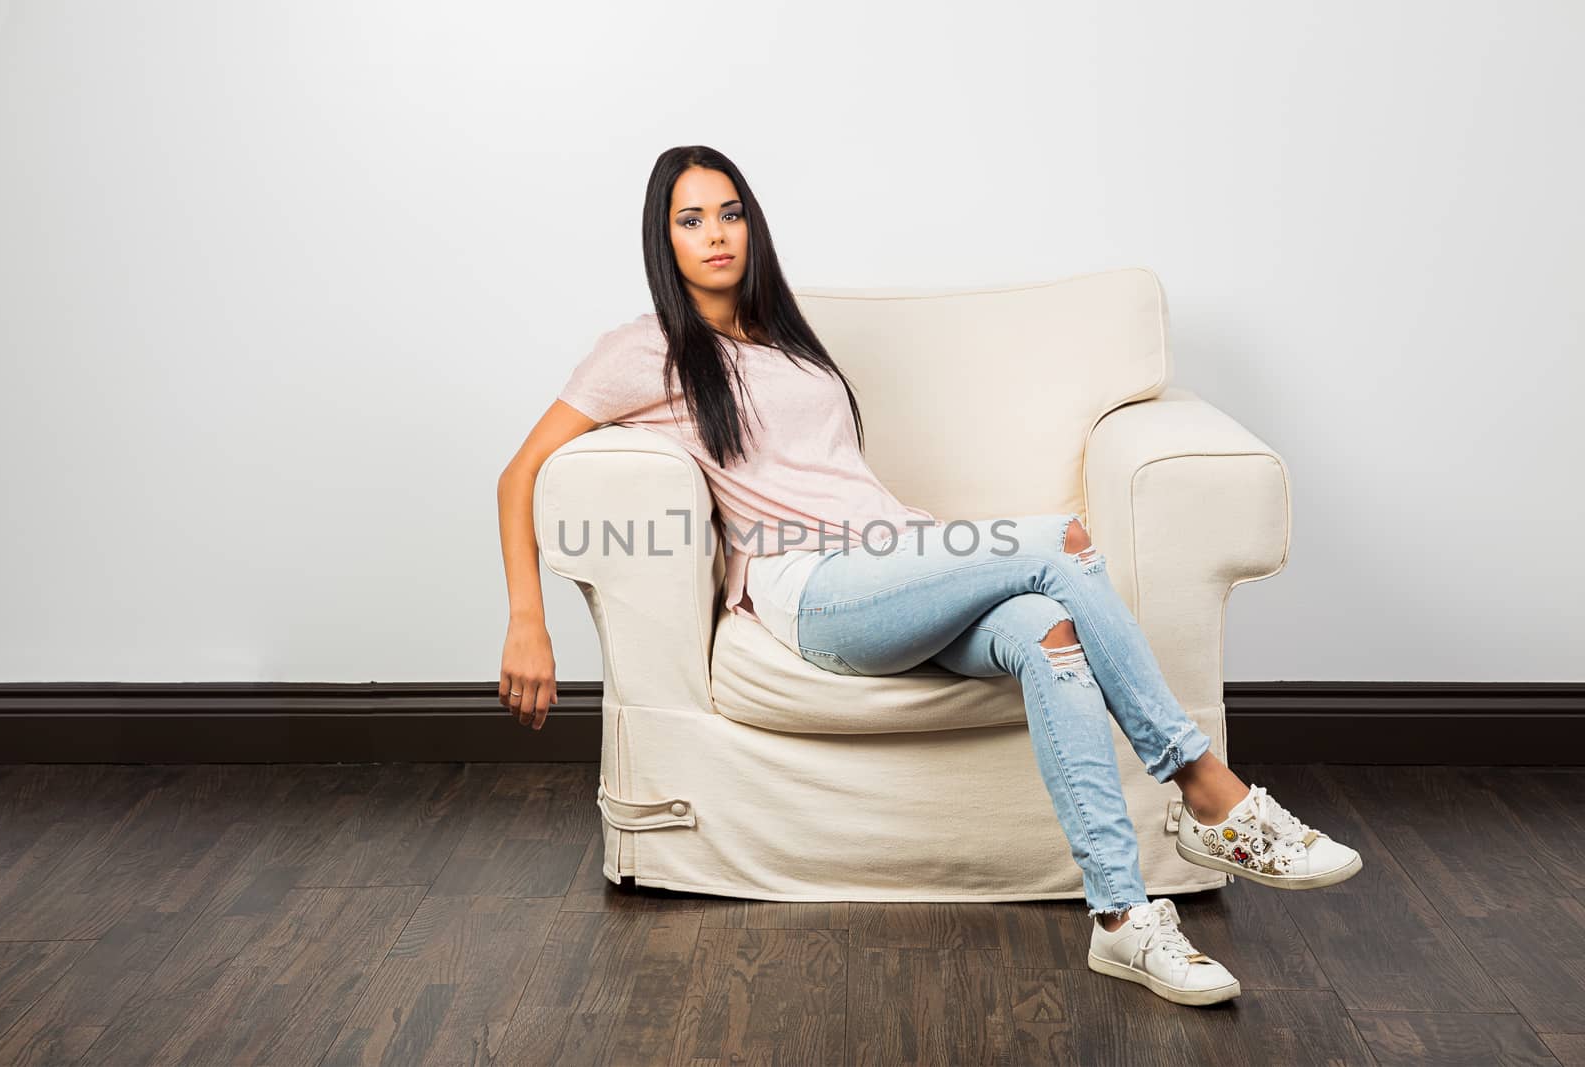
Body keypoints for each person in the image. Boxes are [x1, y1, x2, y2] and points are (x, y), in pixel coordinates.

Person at [494, 145, 1362, 1008]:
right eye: (691, 220)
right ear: (663, 239)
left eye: (731, 213)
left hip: (898, 564)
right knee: (1058, 540)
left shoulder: (782, 332)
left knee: (1043, 632)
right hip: (815, 589)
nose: (717, 234)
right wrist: (527, 620)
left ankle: (1123, 920)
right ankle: (1211, 791)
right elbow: (520, 472)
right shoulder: (643, 350)